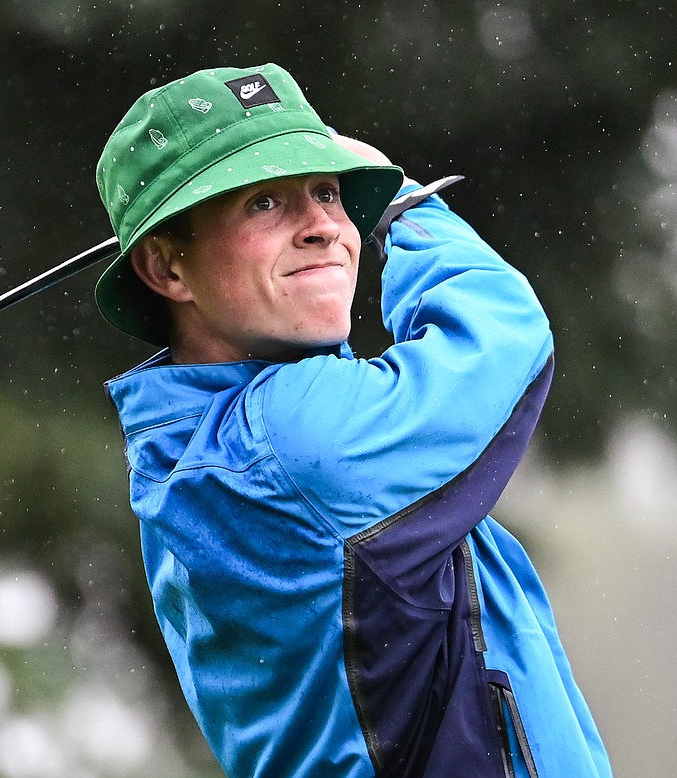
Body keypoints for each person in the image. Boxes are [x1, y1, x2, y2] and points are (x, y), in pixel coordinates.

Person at [93, 63, 612, 777]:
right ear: (167, 270)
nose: (324, 228)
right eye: (265, 203)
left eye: (330, 192)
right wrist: (404, 204)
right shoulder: (293, 444)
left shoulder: (199, 449)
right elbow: (504, 337)